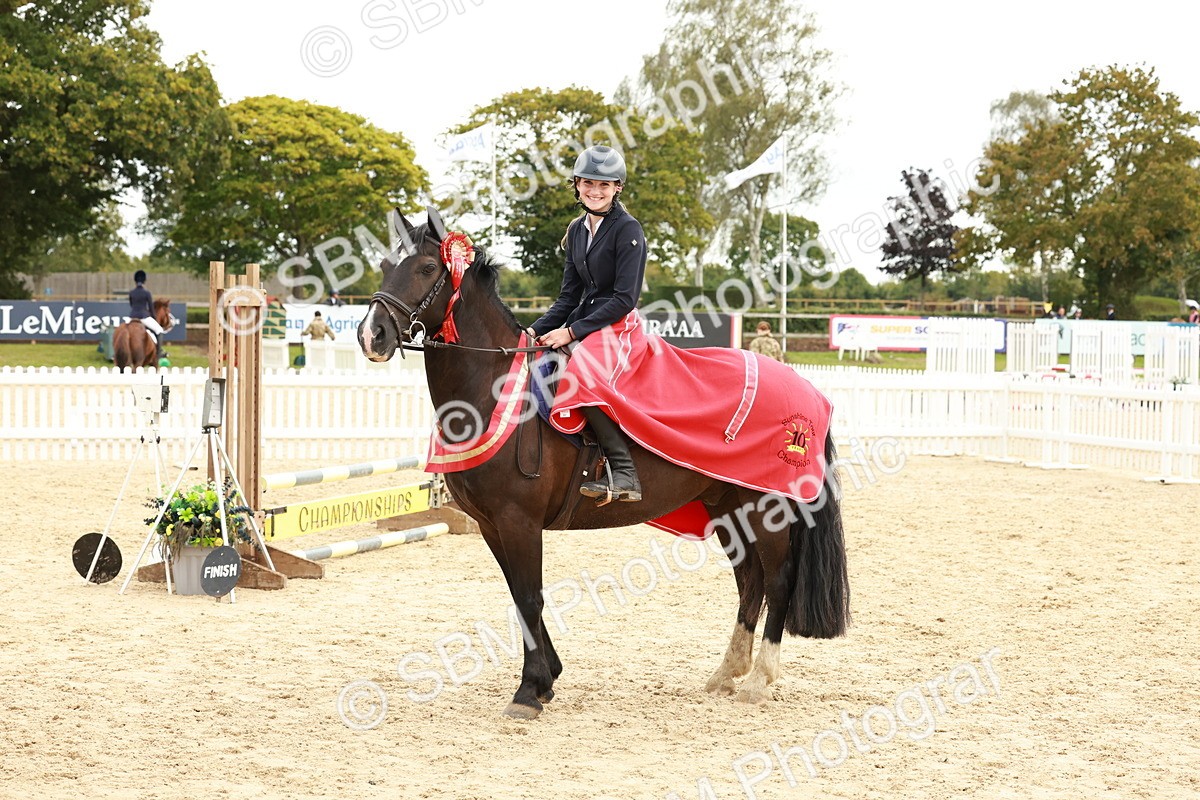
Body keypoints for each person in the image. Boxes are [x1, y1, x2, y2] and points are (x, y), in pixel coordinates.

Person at [531, 144, 647, 502]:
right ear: (577, 185)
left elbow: (624, 299)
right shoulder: (576, 230)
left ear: (617, 189)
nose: (595, 191)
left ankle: (624, 471)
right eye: (588, 183)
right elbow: (568, 297)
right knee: (535, 359)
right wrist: (534, 330)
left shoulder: (628, 230)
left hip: (618, 324)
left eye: (604, 185)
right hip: (585, 320)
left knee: (583, 368)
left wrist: (571, 332)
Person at [128, 269, 166, 363]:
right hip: (144, 317)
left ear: (135, 281)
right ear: (144, 281)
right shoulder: (147, 293)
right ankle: (158, 353)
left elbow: (132, 305)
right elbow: (151, 307)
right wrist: (154, 317)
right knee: (159, 330)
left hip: (132, 317)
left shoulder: (131, 292)